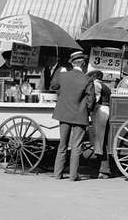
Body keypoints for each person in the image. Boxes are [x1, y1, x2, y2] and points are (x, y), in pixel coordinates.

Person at [52, 51, 95, 181]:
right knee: (76, 147)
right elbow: (91, 101)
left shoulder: (63, 76)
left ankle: (57, 174)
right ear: (83, 64)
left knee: (62, 145)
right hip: (79, 116)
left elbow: (53, 85)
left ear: (72, 63)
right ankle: (73, 176)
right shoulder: (87, 79)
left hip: (63, 114)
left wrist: (61, 74)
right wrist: (87, 110)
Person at [88, 70, 112, 179]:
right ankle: (103, 169)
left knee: (99, 141)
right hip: (106, 110)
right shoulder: (105, 85)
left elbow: (94, 99)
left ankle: (103, 170)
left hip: (100, 111)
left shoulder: (96, 85)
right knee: (102, 141)